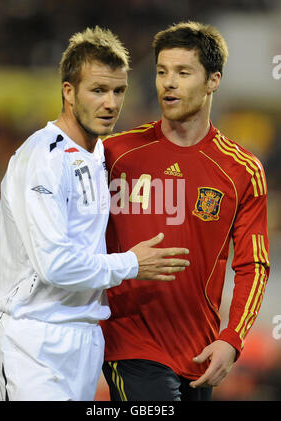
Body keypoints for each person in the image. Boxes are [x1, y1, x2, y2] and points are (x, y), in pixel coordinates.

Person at [0, 26, 190, 402]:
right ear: (68, 91)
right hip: (33, 340)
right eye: (98, 90)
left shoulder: (98, 154)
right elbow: (55, 266)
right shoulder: (41, 158)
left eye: (118, 91)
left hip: (84, 337)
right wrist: (131, 264)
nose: (110, 103)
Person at [101, 21, 270, 401]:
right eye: (161, 72)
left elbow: (252, 265)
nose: (168, 83)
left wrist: (233, 337)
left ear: (213, 80)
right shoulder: (114, 154)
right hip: (128, 344)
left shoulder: (242, 171)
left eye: (182, 72)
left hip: (199, 354)